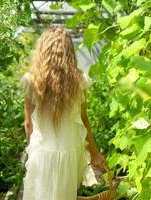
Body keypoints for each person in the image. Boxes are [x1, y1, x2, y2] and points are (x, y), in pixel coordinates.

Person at [21, 26, 106, 200]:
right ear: (69, 51)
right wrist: (95, 153)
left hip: (43, 154)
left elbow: (28, 123)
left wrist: (32, 148)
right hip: (71, 154)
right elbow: (84, 121)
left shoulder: (31, 81)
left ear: (42, 50)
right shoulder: (80, 81)